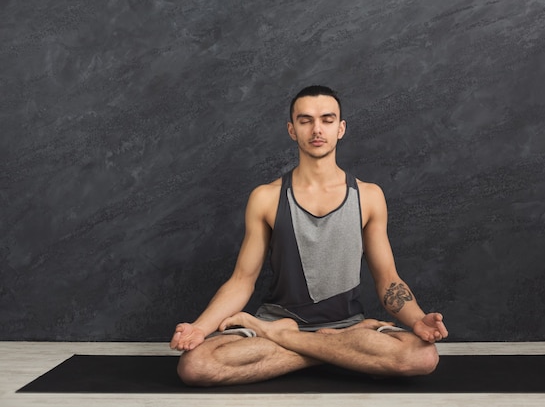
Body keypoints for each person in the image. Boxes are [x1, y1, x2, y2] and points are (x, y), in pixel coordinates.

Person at [170, 85, 448, 386]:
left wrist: (417, 319)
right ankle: (331, 352)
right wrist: (199, 327)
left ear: (341, 128)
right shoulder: (265, 198)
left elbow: (388, 281)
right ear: (292, 130)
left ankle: (292, 341)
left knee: (423, 357)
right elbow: (242, 281)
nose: (317, 129)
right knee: (196, 366)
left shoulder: (369, 196)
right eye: (305, 120)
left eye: (327, 120)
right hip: (284, 323)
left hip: (342, 326)